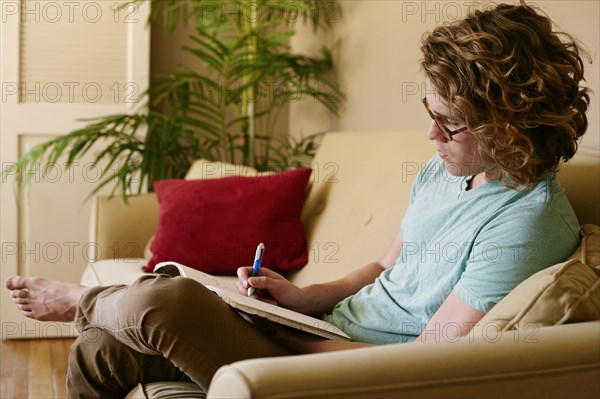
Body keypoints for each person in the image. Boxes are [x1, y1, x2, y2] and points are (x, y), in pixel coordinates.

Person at [6, 2, 590, 397]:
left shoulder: (527, 222)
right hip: (321, 333)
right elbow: (386, 267)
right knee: (98, 348)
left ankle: (82, 296)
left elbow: (427, 364)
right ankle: (97, 309)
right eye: (431, 116)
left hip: (343, 373)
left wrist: (285, 335)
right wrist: (299, 299)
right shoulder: (446, 173)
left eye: (451, 125)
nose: (431, 136)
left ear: (511, 126)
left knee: (165, 304)